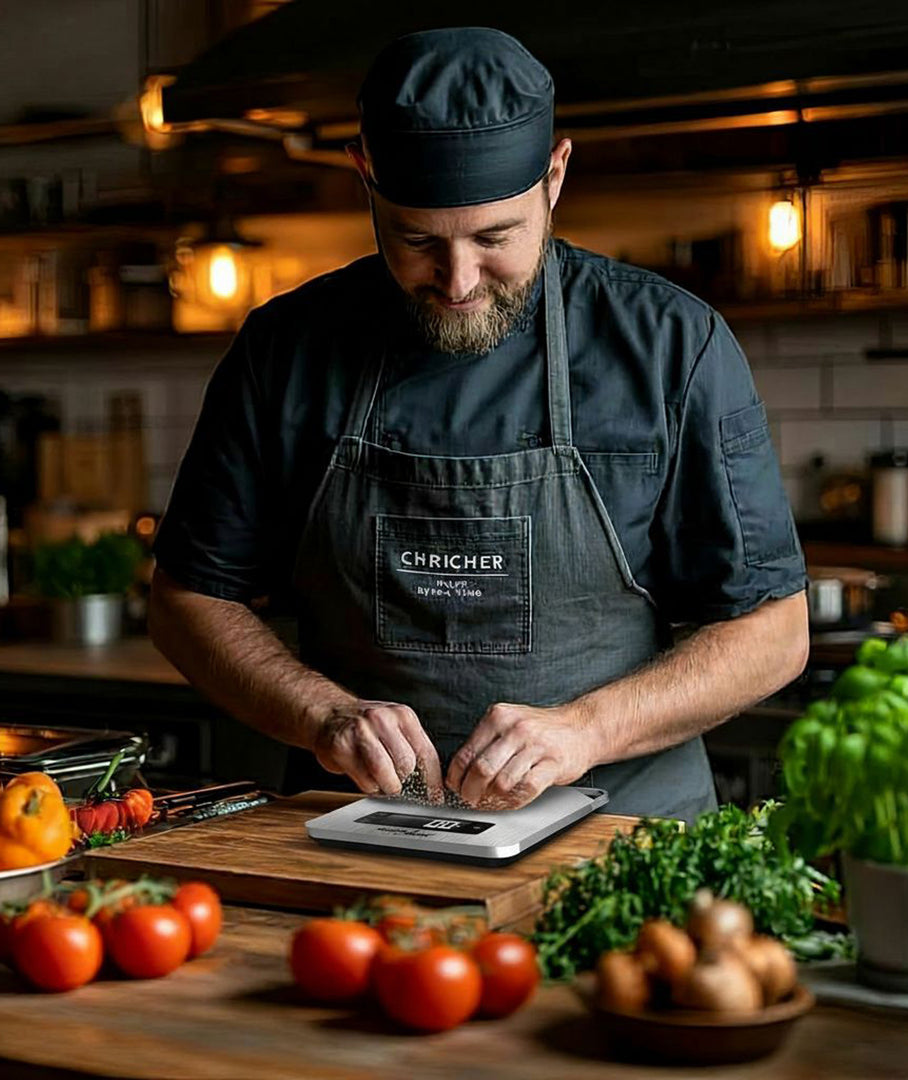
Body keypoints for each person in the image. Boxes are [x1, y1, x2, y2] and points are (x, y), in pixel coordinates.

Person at [149, 27, 809, 823]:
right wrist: (320, 715)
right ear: (365, 178)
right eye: (417, 240)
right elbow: (188, 599)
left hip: (620, 848)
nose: (458, 281)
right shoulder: (285, 350)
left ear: (555, 178)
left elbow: (775, 631)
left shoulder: (671, 347)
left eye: (496, 238)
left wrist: (585, 730)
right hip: (361, 842)